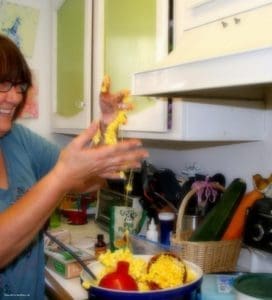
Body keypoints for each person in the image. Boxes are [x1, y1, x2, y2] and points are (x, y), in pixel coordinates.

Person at [0, 34, 148, 299]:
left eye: (19, 86)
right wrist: (60, 178)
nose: (13, 97)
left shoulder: (19, 140)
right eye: (3, 84)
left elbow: (86, 183)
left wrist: (106, 128)